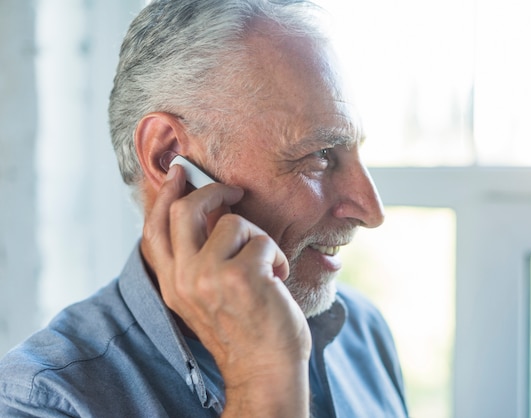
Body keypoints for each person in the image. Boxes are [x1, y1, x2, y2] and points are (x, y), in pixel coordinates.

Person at [0, 0, 408, 416]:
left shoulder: (360, 330)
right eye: (320, 154)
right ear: (168, 156)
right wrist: (263, 375)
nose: (370, 210)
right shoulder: (44, 400)